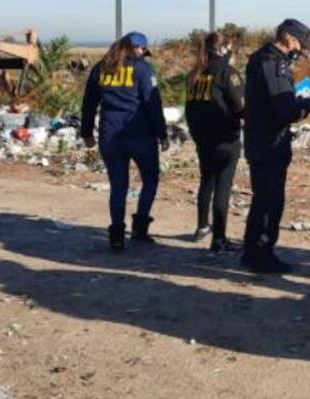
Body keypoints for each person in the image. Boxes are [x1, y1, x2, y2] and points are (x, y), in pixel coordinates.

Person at [242, 19, 310, 274]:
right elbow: (284, 110)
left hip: (257, 138)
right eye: (298, 43)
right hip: (270, 142)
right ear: (288, 37)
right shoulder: (274, 64)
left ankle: (251, 251)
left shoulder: (258, 58)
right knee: (270, 200)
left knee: (261, 197)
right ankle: (262, 254)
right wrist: (307, 105)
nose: (299, 49)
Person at [80, 31, 170, 250]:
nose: (142, 54)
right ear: (134, 48)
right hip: (140, 135)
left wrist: (87, 133)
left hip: (110, 136)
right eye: (141, 50)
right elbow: (152, 104)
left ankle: (117, 234)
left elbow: (89, 103)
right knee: (150, 179)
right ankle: (140, 228)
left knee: (118, 186)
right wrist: (162, 134)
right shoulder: (143, 69)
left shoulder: (101, 68)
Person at [186, 30, 245, 253]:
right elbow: (240, 108)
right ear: (223, 49)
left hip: (202, 138)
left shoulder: (195, 74)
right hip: (225, 138)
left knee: (206, 182)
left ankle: (202, 227)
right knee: (223, 186)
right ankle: (219, 239)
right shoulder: (227, 73)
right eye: (231, 49)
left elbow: (190, 108)